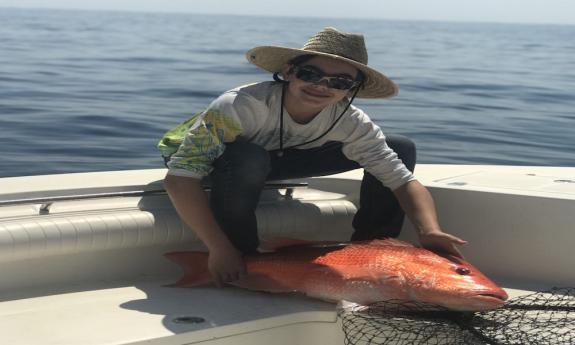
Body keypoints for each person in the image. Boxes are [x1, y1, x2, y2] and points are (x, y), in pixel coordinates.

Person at [158, 27, 467, 287]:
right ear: (289, 72)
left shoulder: (350, 120)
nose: (322, 86)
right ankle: (242, 254)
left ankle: (369, 253)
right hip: (220, 163)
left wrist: (429, 230)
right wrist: (219, 248)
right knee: (249, 158)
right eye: (311, 73)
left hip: (276, 158)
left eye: (340, 82)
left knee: (399, 146)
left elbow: (402, 182)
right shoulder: (242, 105)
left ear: (351, 90)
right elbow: (181, 179)